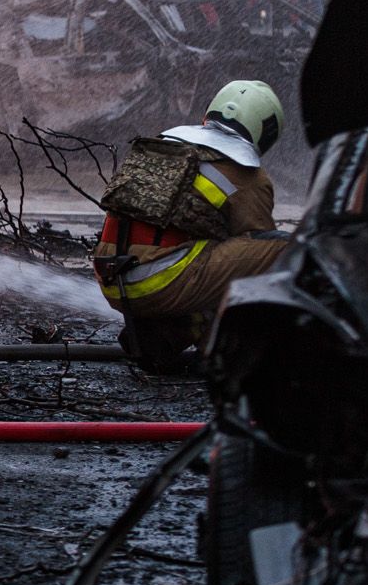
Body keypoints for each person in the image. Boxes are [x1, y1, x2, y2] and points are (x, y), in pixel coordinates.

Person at [93, 81, 291, 374]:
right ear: (266, 131)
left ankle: (166, 335)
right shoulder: (247, 173)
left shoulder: (165, 144)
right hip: (160, 280)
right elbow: (255, 248)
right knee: (281, 249)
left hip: (113, 277)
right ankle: (237, 349)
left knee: (211, 252)